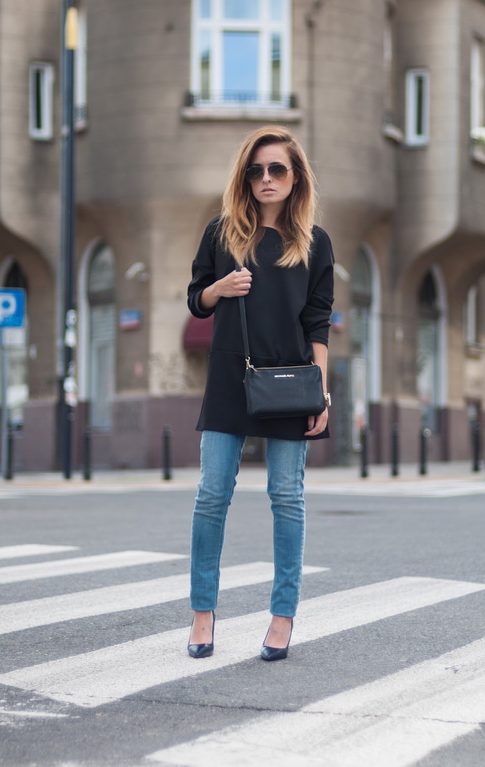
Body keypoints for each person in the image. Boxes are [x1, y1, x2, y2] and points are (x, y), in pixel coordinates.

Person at [186, 125, 334, 661]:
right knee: (212, 495)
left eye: (277, 169)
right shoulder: (221, 233)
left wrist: (321, 391)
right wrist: (220, 287)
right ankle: (203, 614)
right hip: (230, 377)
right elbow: (195, 299)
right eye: (256, 170)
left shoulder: (314, 243)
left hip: (291, 380)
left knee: (287, 497)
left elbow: (318, 321)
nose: (266, 178)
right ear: (245, 178)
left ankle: (282, 616)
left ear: (296, 178)